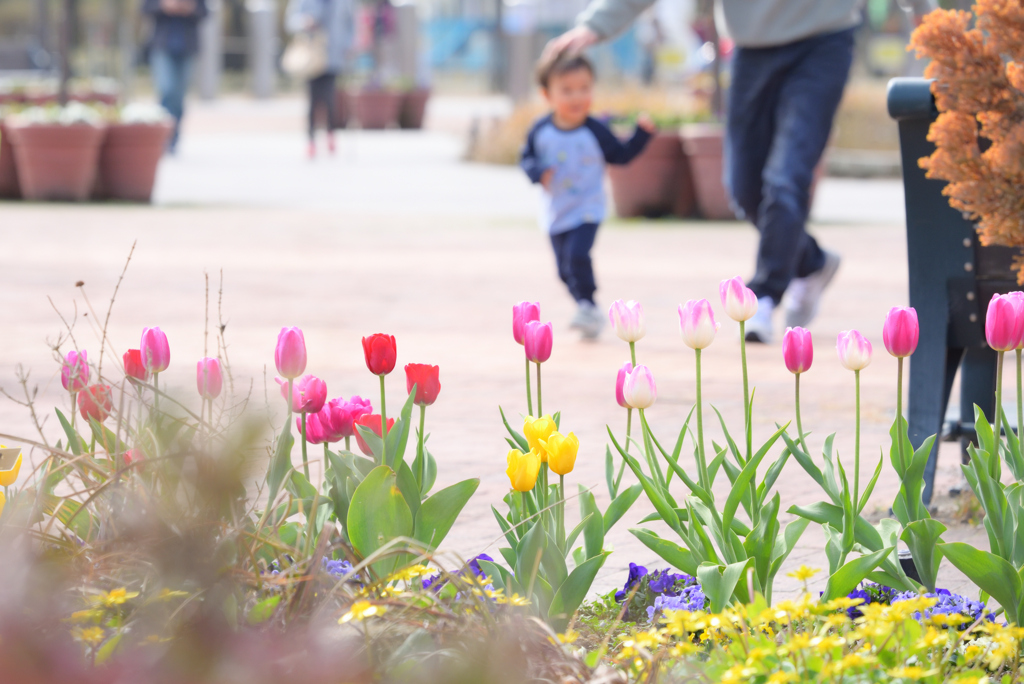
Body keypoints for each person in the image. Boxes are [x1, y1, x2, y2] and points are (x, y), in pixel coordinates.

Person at [545, 0, 935, 343]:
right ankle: (812, 262)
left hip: (824, 40)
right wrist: (596, 24)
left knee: (787, 175)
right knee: (744, 188)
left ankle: (763, 295)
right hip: (753, 49)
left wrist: (924, 16)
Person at [520, 53, 655, 339]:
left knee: (577, 255)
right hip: (556, 210)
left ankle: (587, 303)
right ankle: (589, 308)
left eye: (584, 89)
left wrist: (641, 135)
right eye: (567, 90)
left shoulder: (596, 130)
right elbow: (526, 158)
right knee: (562, 270)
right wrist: (537, 172)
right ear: (547, 94)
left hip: (588, 208)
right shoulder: (540, 130)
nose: (577, 97)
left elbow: (621, 155)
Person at [286, 0, 355, 158]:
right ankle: (311, 140)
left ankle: (331, 132)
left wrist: (349, 45)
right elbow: (290, 21)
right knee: (313, 100)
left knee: (330, 98)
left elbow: (350, 22)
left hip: (333, 55)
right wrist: (304, 22)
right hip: (312, 57)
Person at [143, 0, 208, 154]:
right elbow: (146, 8)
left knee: (179, 96)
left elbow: (205, 12)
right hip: (162, 46)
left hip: (187, 48)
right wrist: (164, 6)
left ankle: (173, 137)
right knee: (167, 90)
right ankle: (163, 135)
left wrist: (189, 8)